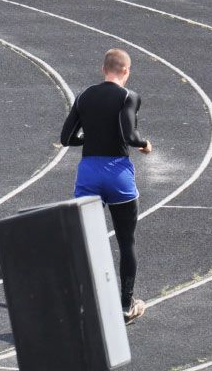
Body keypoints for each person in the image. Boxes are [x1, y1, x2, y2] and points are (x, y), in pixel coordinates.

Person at [59, 48, 153, 324]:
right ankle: (125, 305)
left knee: (86, 241)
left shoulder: (84, 96)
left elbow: (66, 138)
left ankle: (83, 303)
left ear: (103, 69)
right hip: (117, 174)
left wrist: (89, 139)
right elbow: (129, 135)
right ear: (126, 71)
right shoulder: (129, 97)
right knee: (126, 241)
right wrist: (145, 144)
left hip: (88, 174)